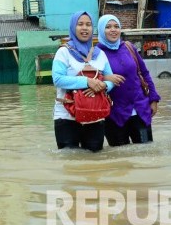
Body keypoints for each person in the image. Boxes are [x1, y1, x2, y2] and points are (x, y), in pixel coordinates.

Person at [51, 11, 115, 152]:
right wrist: (87, 82)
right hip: (66, 116)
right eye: (80, 24)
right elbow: (57, 79)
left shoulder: (100, 54)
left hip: (95, 116)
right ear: (73, 27)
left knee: (95, 161)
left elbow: (110, 80)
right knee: (70, 160)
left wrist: (103, 86)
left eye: (88, 24)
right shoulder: (63, 52)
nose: (84, 28)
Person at [97, 14, 160, 146]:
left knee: (146, 153)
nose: (113, 30)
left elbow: (144, 73)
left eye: (116, 26)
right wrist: (105, 77)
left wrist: (153, 99)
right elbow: (91, 79)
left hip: (140, 109)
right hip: (114, 114)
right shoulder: (97, 53)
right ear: (101, 30)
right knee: (121, 158)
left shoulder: (129, 47)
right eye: (108, 27)